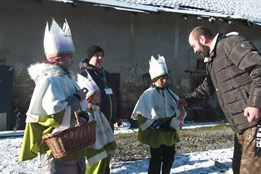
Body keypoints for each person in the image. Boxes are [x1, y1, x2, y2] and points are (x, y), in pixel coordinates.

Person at [177, 26, 261, 174]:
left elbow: (259, 67)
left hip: (256, 123)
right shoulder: (212, 60)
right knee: (239, 169)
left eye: (193, 46)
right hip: (241, 124)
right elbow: (207, 87)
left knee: (252, 170)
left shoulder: (230, 43)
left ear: (202, 39)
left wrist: (255, 104)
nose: (194, 50)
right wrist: (187, 100)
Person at [19, 18, 88, 174]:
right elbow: (57, 114)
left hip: (74, 142)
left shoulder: (67, 78)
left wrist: (83, 116)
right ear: (57, 57)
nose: (73, 59)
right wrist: (77, 98)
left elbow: (81, 108)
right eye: (69, 56)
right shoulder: (50, 80)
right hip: (57, 146)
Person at [131, 55, 186, 174]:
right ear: (155, 78)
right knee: (156, 158)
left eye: (166, 78)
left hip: (169, 132)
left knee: (170, 157)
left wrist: (179, 118)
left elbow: (178, 109)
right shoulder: (148, 94)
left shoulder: (170, 93)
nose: (165, 81)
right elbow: (141, 115)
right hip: (156, 132)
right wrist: (158, 125)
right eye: (161, 78)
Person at [78, 45, 123, 173]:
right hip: (94, 120)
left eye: (102, 55)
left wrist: (119, 115)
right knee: (96, 155)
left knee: (107, 152)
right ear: (89, 57)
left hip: (109, 121)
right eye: (96, 55)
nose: (100, 58)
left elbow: (117, 96)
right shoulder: (83, 74)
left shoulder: (108, 75)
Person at [77, 75, 118, 174]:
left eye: (99, 93)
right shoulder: (87, 112)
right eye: (96, 94)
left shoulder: (97, 110)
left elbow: (105, 128)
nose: (100, 96)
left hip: (102, 147)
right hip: (93, 149)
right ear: (89, 97)